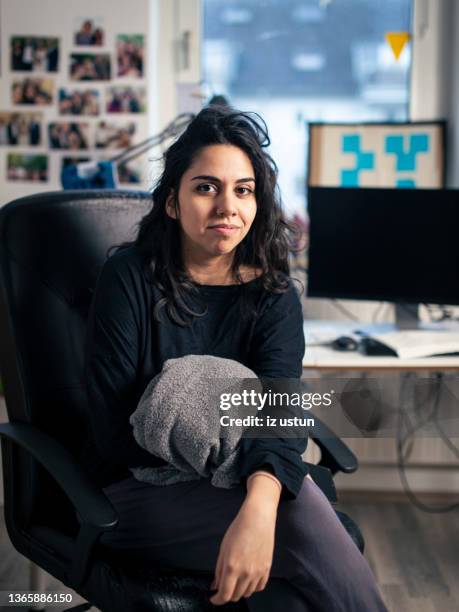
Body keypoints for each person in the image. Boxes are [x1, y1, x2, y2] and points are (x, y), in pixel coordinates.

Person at [83, 105, 388, 611]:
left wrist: (257, 506)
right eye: (206, 187)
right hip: (130, 495)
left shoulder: (273, 295)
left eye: (243, 189)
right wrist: (240, 476)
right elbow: (115, 432)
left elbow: (278, 409)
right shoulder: (129, 279)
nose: (227, 206)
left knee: (288, 589)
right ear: (174, 203)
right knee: (301, 517)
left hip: (239, 483)